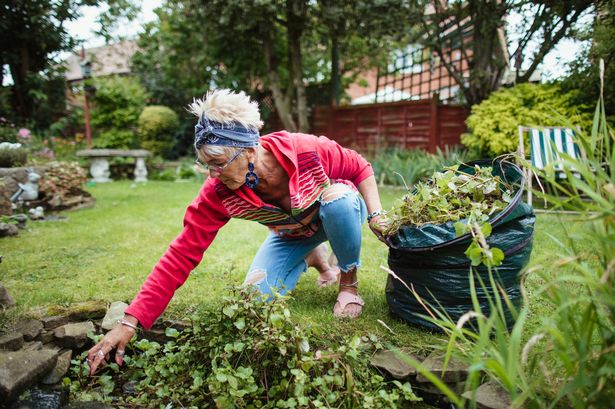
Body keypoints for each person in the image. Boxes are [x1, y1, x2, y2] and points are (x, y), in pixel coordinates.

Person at [87, 89, 388, 375]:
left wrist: (376, 215)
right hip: (291, 233)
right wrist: (130, 321)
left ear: (249, 149)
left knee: (340, 201)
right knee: (254, 303)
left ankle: (348, 282)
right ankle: (315, 257)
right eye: (205, 164)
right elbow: (181, 253)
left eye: (217, 163)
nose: (212, 174)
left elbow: (360, 167)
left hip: (336, 212)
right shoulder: (217, 192)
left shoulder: (305, 149)